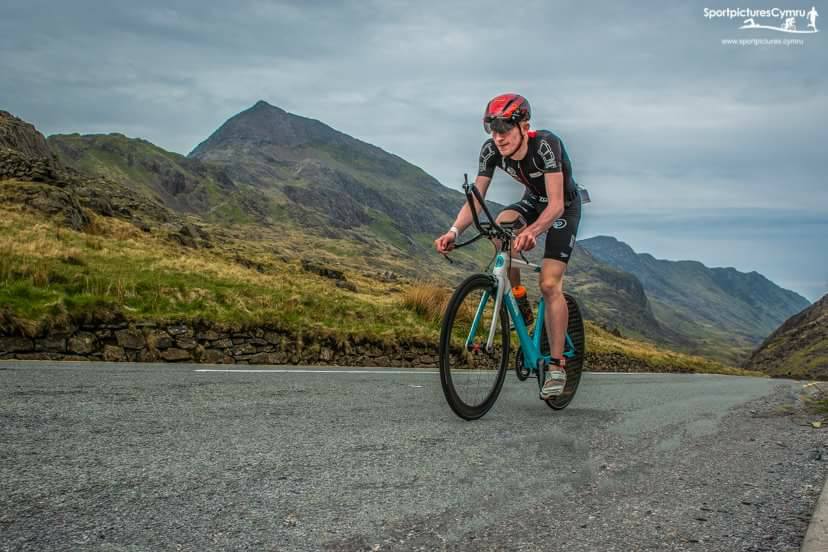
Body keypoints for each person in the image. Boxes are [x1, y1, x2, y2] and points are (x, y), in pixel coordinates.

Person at [434, 93, 582, 400]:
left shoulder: (546, 145)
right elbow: (476, 199)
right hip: (533, 201)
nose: (498, 138)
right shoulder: (491, 150)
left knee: (550, 284)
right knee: (500, 226)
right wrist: (453, 231)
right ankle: (518, 297)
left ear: (524, 126)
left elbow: (555, 205)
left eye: (505, 130)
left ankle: (557, 367)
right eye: (493, 130)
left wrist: (533, 231)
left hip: (563, 208)